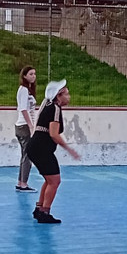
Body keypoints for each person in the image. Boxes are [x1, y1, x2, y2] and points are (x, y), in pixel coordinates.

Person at [25, 79, 80, 223]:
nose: (69, 97)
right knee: (55, 181)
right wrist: (69, 149)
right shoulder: (55, 108)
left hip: (36, 147)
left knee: (49, 179)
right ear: (59, 95)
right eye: (67, 94)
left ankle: (39, 208)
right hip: (41, 149)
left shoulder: (47, 105)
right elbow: (54, 134)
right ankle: (45, 212)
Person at [14, 66, 38, 192]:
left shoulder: (27, 90)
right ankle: (23, 184)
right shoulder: (23, 90)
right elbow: (23, 109)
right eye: (30, 74)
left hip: (23, 126)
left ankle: (20, 182)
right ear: (24, 76)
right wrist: (31, 126)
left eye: (34, 74)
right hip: (24, 127)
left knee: (25, 155)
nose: (33, 76)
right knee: (28, 155)